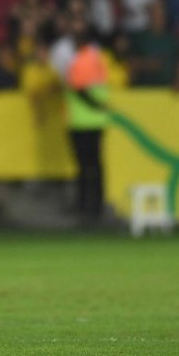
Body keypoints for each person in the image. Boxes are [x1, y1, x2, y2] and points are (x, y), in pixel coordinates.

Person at [64, 16, 110, 223]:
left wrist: (93, 104)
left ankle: (84, 205)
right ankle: (97, 205)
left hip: (81, 121)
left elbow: (79, 89)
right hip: (98, 120)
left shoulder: (79, 61)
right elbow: (99, 87)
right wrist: (99, 106)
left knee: (84, 167)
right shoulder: (99, 58)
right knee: (97, 165)